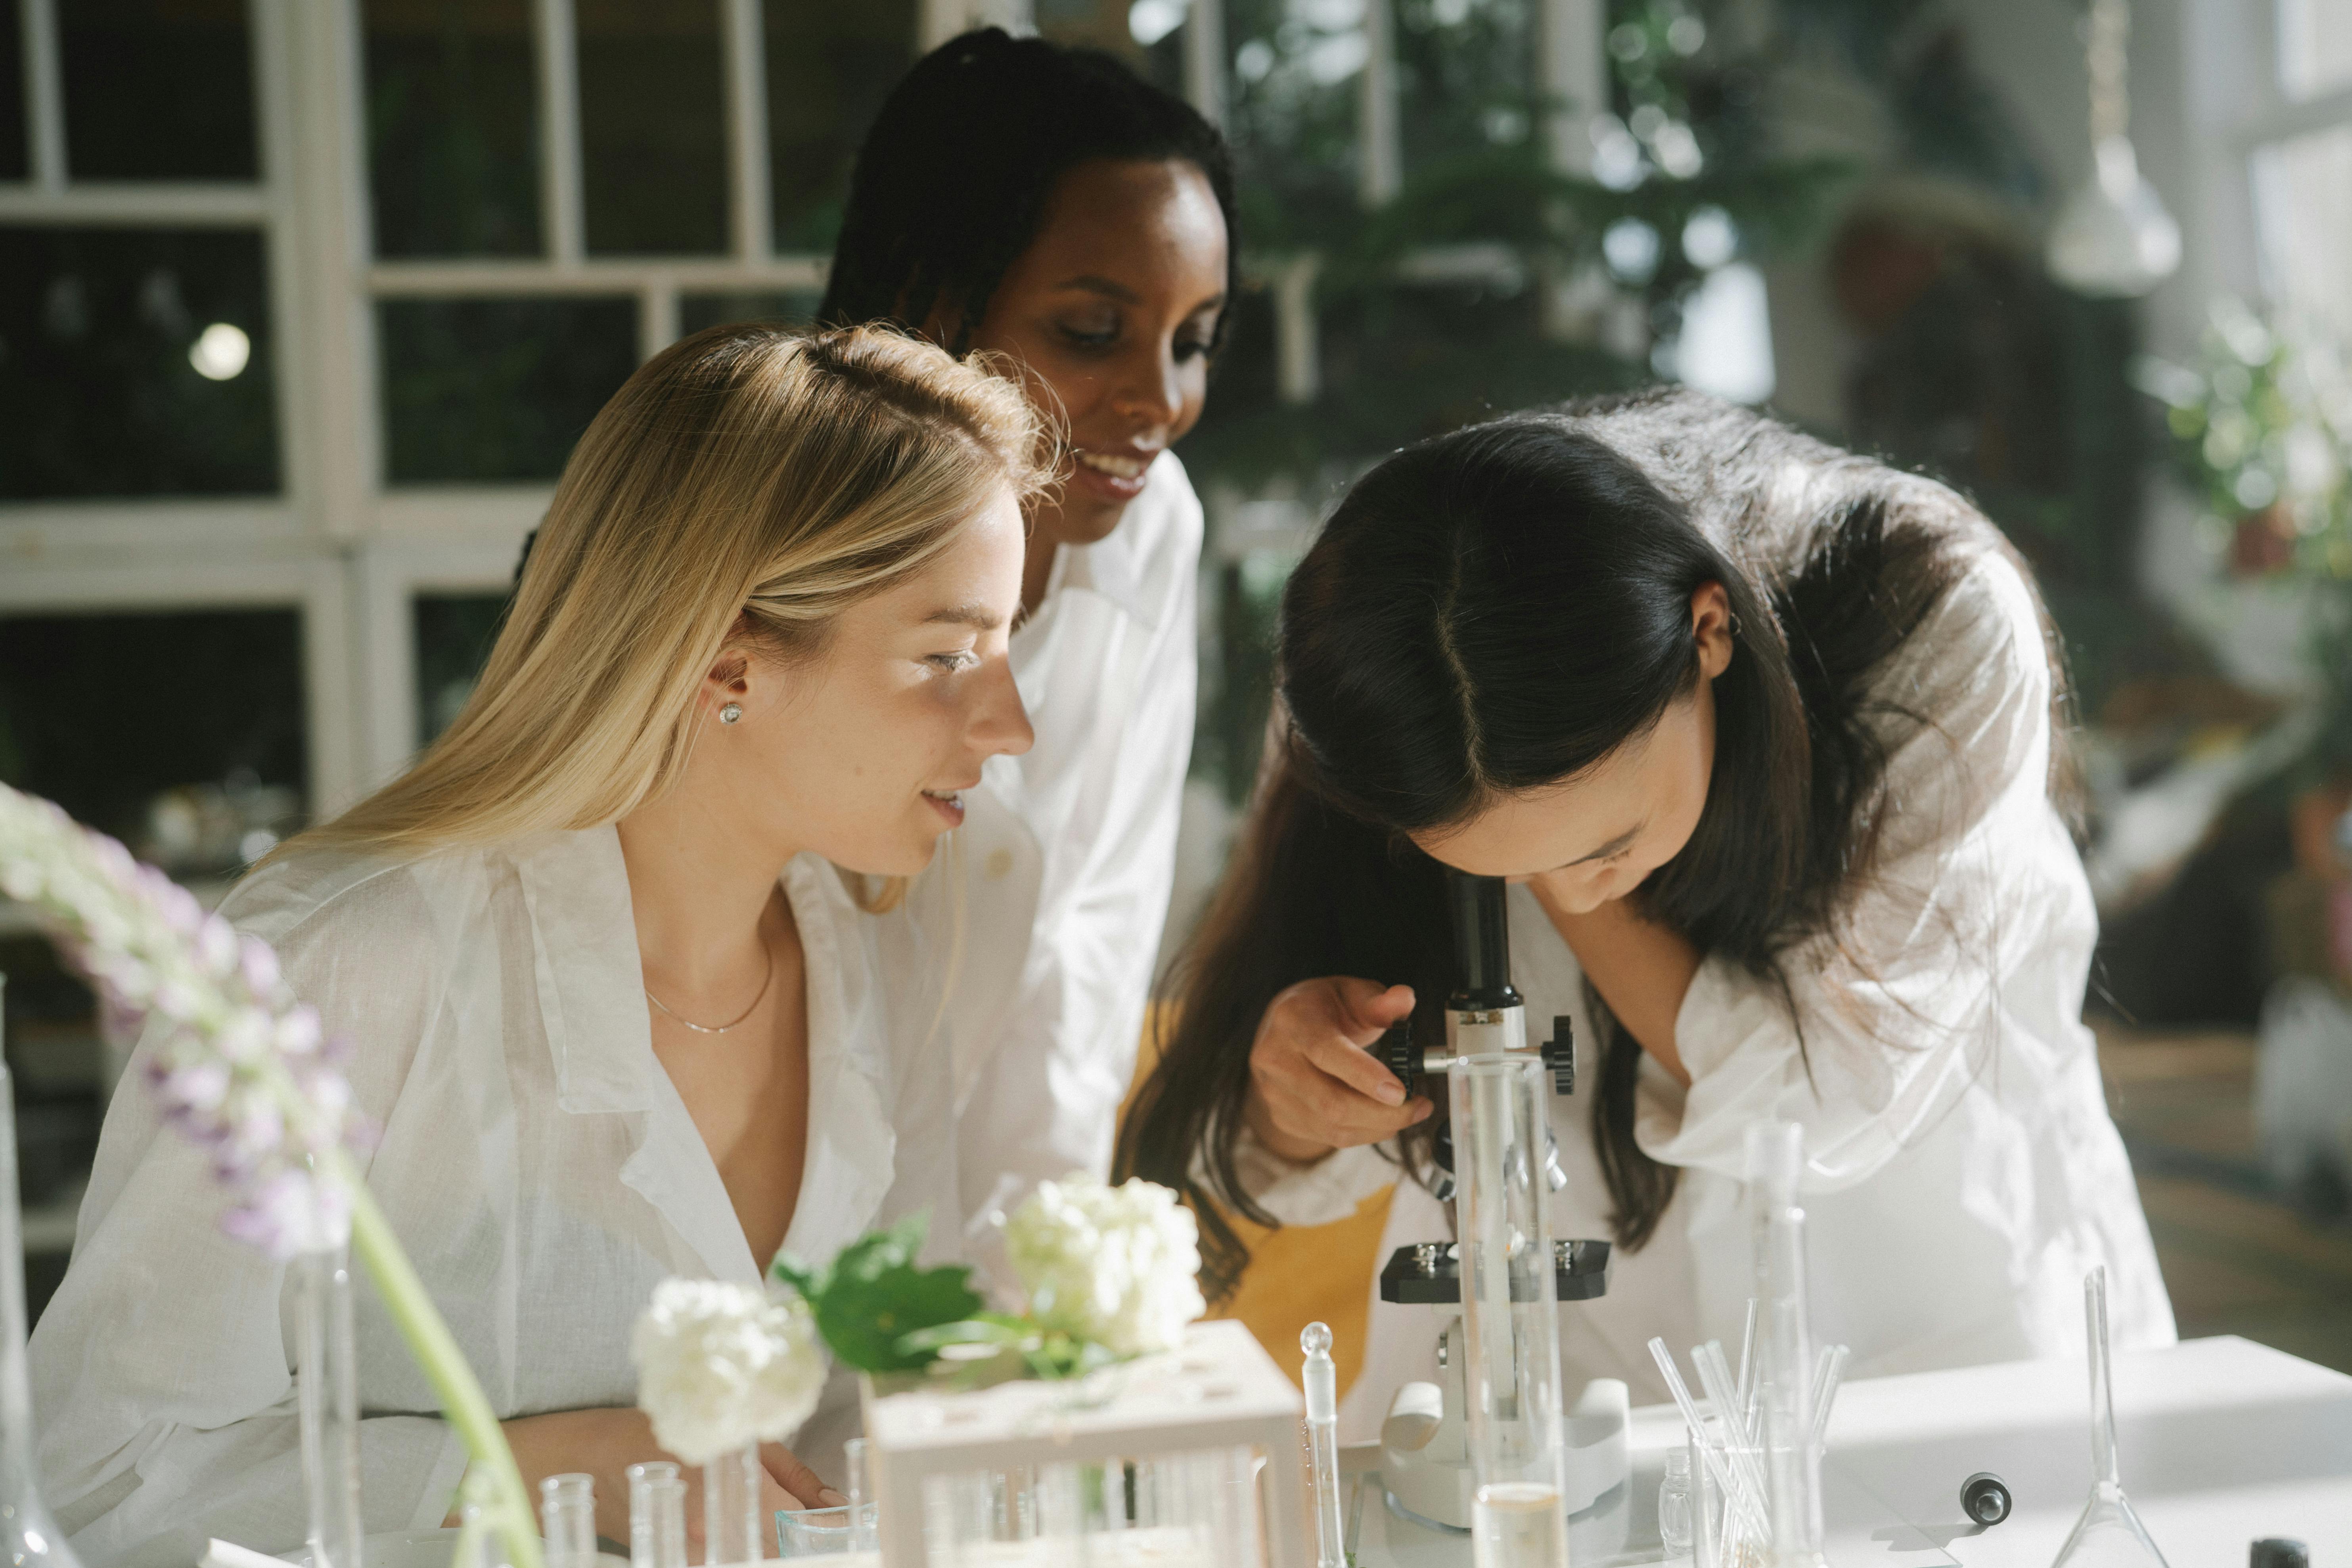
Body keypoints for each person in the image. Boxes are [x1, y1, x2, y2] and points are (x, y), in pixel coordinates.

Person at [31, 324, 1044, 1564]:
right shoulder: (346, 962)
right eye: (947, 655)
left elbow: (873, 1424)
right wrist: (538, 1467)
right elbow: (100, 1477)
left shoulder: (892, 953)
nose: (1010, 725)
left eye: (1005, 648)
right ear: (727, 660)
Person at [1120, 389, 2175, 1438]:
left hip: (1930, 1300)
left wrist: (1537, 879)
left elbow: (1827, 1098)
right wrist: (1296, 1095)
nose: (1572, 893)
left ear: (1707, 631)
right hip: (1559, 1365)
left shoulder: (1927, 612)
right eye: (1499, 868)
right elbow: (1261, 1145)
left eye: (1602, 847)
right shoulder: (1386, 669)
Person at [817, 29, 1234, 1269]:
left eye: (1194, 339)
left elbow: (1095, 940)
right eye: (1096, 329)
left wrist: (1042, 1304)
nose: (1158, 398)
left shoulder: (1152, 529)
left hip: (1007, 1244)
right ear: (934, 300)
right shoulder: (785, 544)